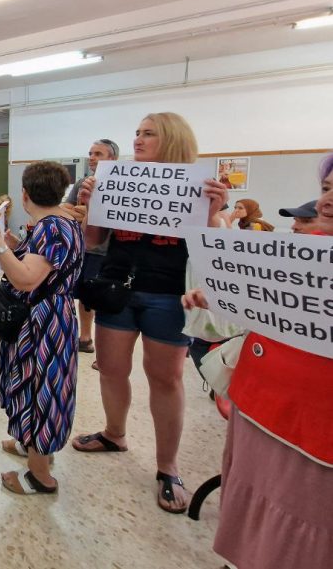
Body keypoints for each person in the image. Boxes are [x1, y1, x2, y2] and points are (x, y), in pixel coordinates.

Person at [70, 113, 228, 514]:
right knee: (110, 368)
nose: (138, 140)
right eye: (136, 133)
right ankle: (114, 433)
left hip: (168, 295)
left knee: (165, 379)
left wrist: (214, 212)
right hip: (116, 289)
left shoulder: (198, 185)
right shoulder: (115, 179)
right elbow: (92, 241)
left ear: (171, 140)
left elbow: (214, 250)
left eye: (148, 134)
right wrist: (90, 205)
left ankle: (168, 466)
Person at [182, 153, 333, 569]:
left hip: (317, 437)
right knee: (254, 518)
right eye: (325, 188)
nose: (326, 202)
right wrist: (219, 298)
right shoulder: (300, 253)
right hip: (260, 408)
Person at [0, 161, 84, 495]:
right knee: (33, 383)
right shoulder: (59, 221)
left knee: (41, 389)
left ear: (24, 194)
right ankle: (31, 444)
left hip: (45, 321)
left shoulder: (53, 227)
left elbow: (25, 279)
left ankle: (40, 476)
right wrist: (10, 243)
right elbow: (33, 264)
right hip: (47, 317)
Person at [64, 138, 119, 353]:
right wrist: (85, 214)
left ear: (112, 159)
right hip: (83, 248)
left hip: (109, 251)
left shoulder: (120, 186)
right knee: (84, 295)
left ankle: (107, 348)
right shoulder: (82, 183)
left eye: (98, 154)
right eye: (91, 153)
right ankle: (85, 338)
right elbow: (66, 207)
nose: (92, 158)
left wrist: (90, 213)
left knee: (105, 299)